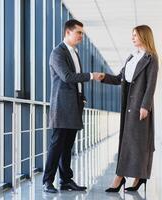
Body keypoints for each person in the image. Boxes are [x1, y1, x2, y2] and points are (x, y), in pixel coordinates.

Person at [42, 19, 104, 193]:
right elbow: (67, 77)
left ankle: (66, 180)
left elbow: (74, 80)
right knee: (56, 145)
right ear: (68, 32)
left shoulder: (74, 53)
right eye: (78, 33)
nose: (81, 36)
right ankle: (47, 181)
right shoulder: (57, 53)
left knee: (67, 146)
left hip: (74, 106)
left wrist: (81, 96)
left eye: (82, 33)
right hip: (61, 107)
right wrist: (91, 75)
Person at [102, 25, 158, 193]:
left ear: (144, 36)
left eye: (135, 35)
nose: (132, 38)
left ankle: (125, 177)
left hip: (140, 107)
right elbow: (120, 78)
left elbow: (151, 84)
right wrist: (103, 77)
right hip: (128, 107)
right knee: (129, 143)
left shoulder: (151, 58)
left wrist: (145, 106)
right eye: (132, 35)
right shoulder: (131, 57)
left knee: (138, 144)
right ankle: (132, 177)